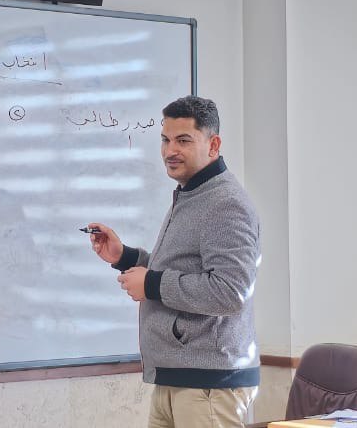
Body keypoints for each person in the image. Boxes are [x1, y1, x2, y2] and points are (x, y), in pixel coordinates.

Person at [86, 95, 260, 428]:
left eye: (183, 140)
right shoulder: (192, 194)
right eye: (165, 140)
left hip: (208, 384)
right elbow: (185, 270)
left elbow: (230, 292)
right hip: (179, 377)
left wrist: (151, 284)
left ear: (213, 145)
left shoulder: (225, 203)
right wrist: (125, 257)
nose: (170, 151)